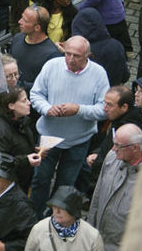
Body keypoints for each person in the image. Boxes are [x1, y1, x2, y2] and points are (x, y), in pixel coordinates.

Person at [29, 36, 109, 217]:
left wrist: (79, 110)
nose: (71, 59)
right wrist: (48, 109)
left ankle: (54, 218)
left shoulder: (99, 74)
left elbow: (104, 109)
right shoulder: (52, 66)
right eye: (68, 54)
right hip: (48, 136)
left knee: (65, 184)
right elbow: (35, 95)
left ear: (88, 55)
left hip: (78, 140)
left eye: (77, 56)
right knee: (40, 180)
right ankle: (33, 218)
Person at [86, 124, 142, 251]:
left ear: (135, 148)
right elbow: (97, 196)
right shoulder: (111, 157)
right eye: (114, 143)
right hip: (98, 239)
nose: (113, 148)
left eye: (118, 145)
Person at [24, 186, 104, 251]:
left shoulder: (92, 236)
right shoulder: (39, 229)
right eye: (55, 206)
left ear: (74, 210)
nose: (57, 211)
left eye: (62, 208)